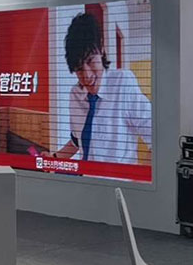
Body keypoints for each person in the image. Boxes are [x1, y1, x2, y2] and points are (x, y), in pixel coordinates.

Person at [48, 12, 151, 164]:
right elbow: (77, 140)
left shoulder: (122, 83)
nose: (87, 75)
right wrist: (53, 159)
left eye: (90, 61)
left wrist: (141, 176)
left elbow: (157, 137)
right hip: (86, 177)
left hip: (117, 179)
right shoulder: (75, 94)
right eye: (79, 68)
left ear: (101, 50)